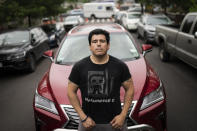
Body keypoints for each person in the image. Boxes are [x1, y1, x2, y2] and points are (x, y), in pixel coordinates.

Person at [67, 29, 134, 131]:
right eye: (94, 42)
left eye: (102, 41)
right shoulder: (79, 67)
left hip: (115, 123)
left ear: (108, 45)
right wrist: (83, 117)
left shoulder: (120, 66)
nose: (98, 44)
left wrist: (123, 115)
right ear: (90, 46)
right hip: (88, 123)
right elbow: (70, 91)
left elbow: (130, 89)